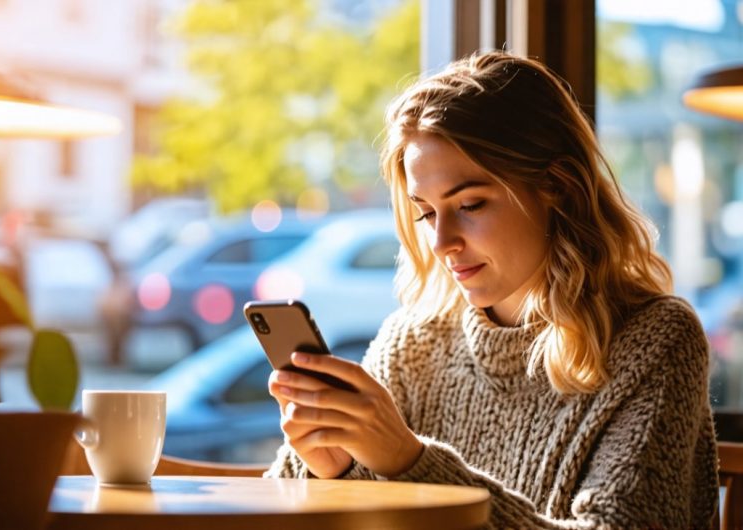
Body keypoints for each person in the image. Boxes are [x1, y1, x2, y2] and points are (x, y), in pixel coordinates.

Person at [265, 51, 719, 528]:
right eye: (426, 212)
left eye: (471, 204)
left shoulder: (655, 340)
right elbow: (278, 507)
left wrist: (408, 461)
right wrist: (330, 468)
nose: (442, 242)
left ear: (558, 187)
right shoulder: (416, 342)